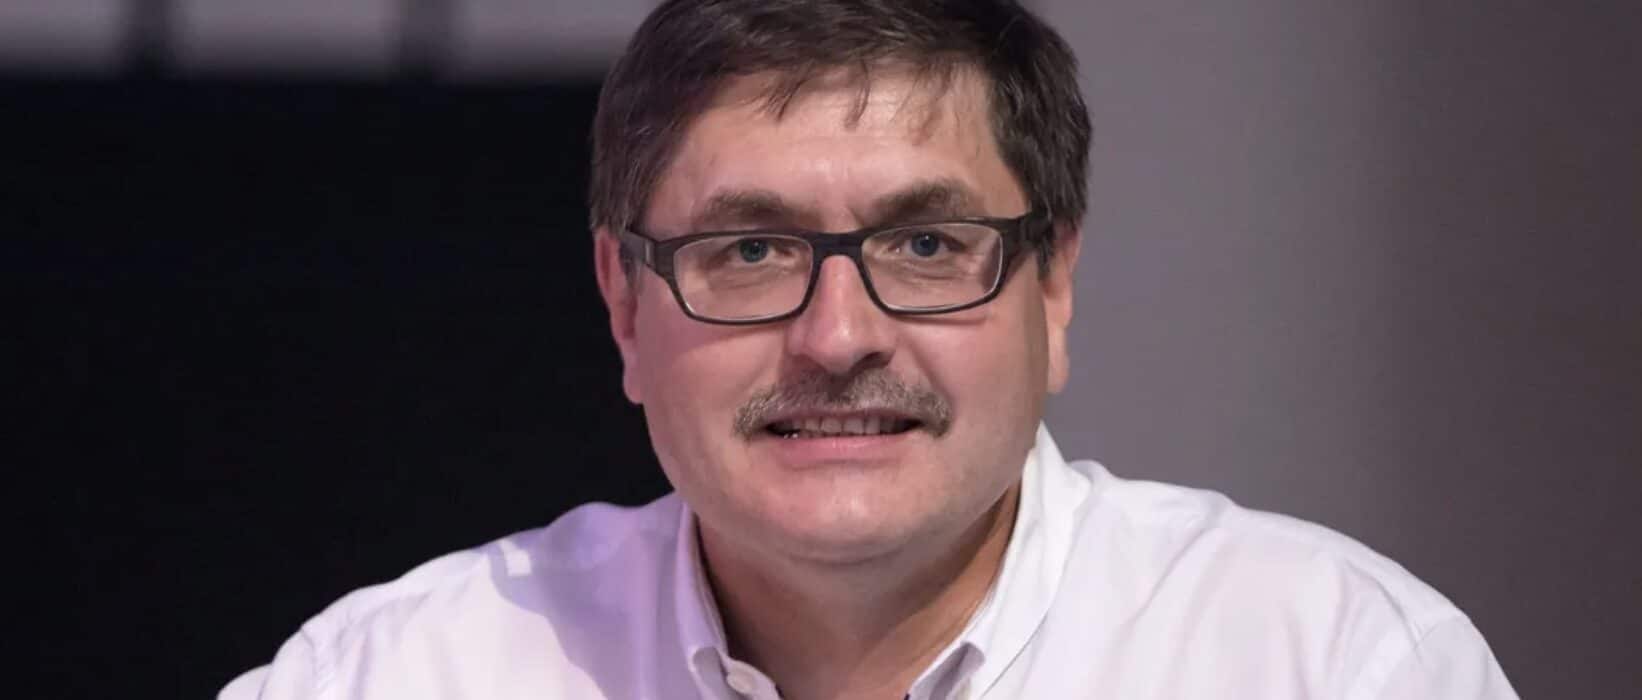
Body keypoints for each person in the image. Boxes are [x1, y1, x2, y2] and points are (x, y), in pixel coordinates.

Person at [221, 1, 1517, 698]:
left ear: (1052, 284)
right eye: (749, 251)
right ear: (623, 306)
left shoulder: (1330, 665)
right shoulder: (392, 678)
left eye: (926, 245)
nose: (837, 337)